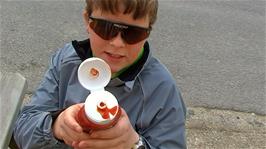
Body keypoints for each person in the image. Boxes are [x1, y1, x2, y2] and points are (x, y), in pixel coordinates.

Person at [13, 0, 187, 148]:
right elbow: (22, 128)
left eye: (133, 33)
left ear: (147, 33)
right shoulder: (66, 63)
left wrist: (134, 144)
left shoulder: (162, 90)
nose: (117, 42)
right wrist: (55, 125)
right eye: (105, 28)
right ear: (88, 22)